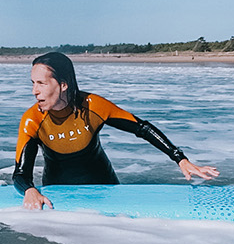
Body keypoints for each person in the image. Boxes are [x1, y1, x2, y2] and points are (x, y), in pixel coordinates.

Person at [14, 51, 218, 210]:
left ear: (63, 84)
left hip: (106, 191)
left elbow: (142, 128)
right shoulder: (32, 120)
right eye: (33, 83)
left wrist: (180, 158)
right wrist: (30, 190)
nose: (34, 91)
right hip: (59, 196)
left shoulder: (93, 106)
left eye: (41, 83)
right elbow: (21, 174)